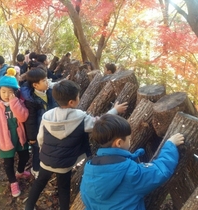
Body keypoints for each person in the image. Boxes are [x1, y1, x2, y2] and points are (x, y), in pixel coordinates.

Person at [25, 80, 128, 210]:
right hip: (65, 164)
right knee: (63, 187)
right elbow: (99, 123)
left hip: (46, 160)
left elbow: (40, 138)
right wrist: (115, 110)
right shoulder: (80, 117)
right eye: (78, 96)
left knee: (39, 182)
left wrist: (43, 152)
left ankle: (28, 206)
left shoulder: (47, 116)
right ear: (72, 102)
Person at [80, 114, 185, 210]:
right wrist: (170, 145)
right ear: (119, 143)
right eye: (129, 139)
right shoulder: (131, 172)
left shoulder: (90, 169)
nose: (130, 141)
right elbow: (160, 171)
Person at [0, 68, 31, 197]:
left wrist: (14, 102)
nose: (6, 94)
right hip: (4, 139)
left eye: (10, 92)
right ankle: (13, 182)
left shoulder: (19, 102)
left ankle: (20, 171)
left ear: (15, 92)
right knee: (8, 163)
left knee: (25, 157)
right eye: (3, 91)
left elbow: (23, 117)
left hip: (19, 137)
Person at [20, 68, 58, 179]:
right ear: (35, 85)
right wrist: (32, 137)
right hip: (37, 131)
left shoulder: (50, 92)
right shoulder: (31, 100)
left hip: (50, 128)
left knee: (48, 147)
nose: (48, 82)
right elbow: (30, 120)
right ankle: (36, 169)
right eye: (44, 81)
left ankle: (48, 164)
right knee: (37, 151)